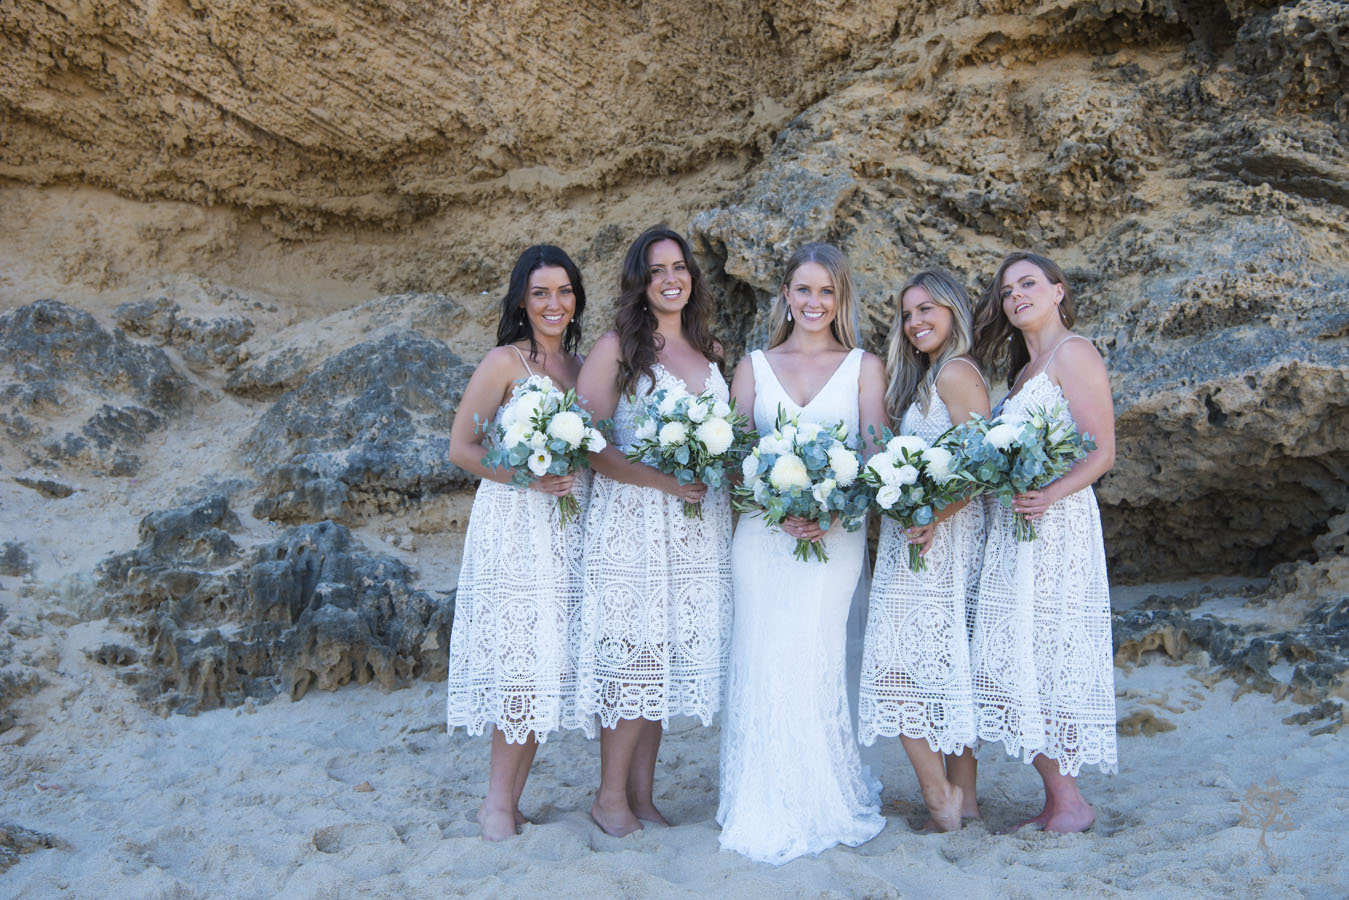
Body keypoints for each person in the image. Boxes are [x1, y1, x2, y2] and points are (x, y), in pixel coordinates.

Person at [717, 242, 888, 865]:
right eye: (803, 290)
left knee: (811, 654)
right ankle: (763, 796)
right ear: (785, 295)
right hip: (763, 537)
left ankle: (820, 795)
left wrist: (836, 509)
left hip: (835, 538)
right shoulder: (754, 366)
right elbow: (734, 456)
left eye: (826, 291)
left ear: (840, 298)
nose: (814, 302)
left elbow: (874, 452)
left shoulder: (863, 366)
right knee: (764, 656)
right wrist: (772, 502)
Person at [575, 225, 733, 838]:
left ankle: (643, 797)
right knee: (634, 657)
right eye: (657, 270)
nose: (671, 279)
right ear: (640, 284)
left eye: (680, 268)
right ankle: (609, 796)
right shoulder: (619, 346)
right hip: (636, 522)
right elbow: (588, 442)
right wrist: (662, 482)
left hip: (696, 528)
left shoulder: (708, 348)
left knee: (662, 661)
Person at [445, 244, 593, 841]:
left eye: (563, 291)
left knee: (545, 665)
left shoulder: (583, 369)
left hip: (568, 531)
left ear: (577, 298)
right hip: (514, 528)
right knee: (520, 667)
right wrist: (526, 476)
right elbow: (461, 448)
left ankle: (509, 801)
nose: (553, 304)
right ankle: (495, 806)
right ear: (522, 302)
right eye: (540, 294)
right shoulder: (505, 363)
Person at [969, 251, 1117, 833]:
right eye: (1007, 292)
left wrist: (1049, 496)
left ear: (1058, 291)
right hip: (1017, 530)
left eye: (1028, 284)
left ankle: (1070, 800)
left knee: (1046, 655)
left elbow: (1102, 450)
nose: (1016, 298)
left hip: (1057, 528)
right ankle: (1060, 799)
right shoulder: (1023, 373)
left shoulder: (1073, 353)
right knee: (1017, 659)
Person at [859, 269, 988, 832]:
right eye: (908, 314)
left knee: (900, 671)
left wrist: (933, 515)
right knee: (943, 665)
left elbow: (984, 465)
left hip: (936, 538)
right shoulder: (926, 378)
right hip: (925, 535)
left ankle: (941, 800)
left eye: (928, 309)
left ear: (955, 311)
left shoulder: (956, 373)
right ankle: (965, 799)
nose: (916, 322)